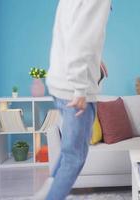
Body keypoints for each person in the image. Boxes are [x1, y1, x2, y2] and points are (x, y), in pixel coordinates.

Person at [34, 0, 111, 199]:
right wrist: (79, 88)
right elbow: (81, 40)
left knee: (69, 151)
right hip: (73, 89)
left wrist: (94, 59)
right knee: (74, 158)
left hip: (59, 82)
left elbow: (70, 33)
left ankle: (47, 191)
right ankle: (52, 196)